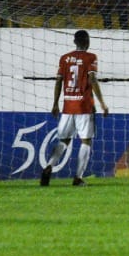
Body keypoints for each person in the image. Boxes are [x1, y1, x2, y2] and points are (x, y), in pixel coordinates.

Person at [41, 30, 108, 187]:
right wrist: (102, 103)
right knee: (86, 141)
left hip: (67, 106)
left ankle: (49, 165)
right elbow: (92, 79)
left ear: (74, 41)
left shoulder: (64, 58)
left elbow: (59, 81)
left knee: (64, 140)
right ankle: (78, 178)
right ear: (87, 41)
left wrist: (55, 103)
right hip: (84, 106)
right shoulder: (91, 57)